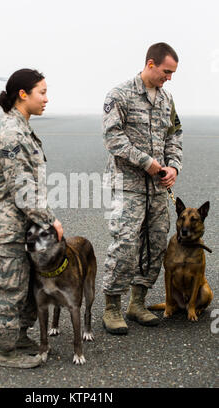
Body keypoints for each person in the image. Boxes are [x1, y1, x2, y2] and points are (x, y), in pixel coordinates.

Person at [0, 69, 63, 368]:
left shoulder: (23, 128)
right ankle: (4, 350)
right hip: (6, 224)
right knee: (9, 287)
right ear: (23, 94)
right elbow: (22, 188)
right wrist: (50, 220)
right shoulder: (12, 133)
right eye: (41, 91)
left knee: (28, 283)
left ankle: (19, 336)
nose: (46, 98)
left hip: (24, 223)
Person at [102, 43, 183, 334]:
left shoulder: (166, 100)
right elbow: (113, 138)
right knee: (125, 245)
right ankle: (112, 306)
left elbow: (174, 136)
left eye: (172, 73)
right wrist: (147, 162)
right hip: (129, 186)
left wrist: (173, 166)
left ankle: (138, 303)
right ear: (150, 64)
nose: (169, 78)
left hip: (158, 189)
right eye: (166, 72)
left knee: (155, 245)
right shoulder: (119, 95)